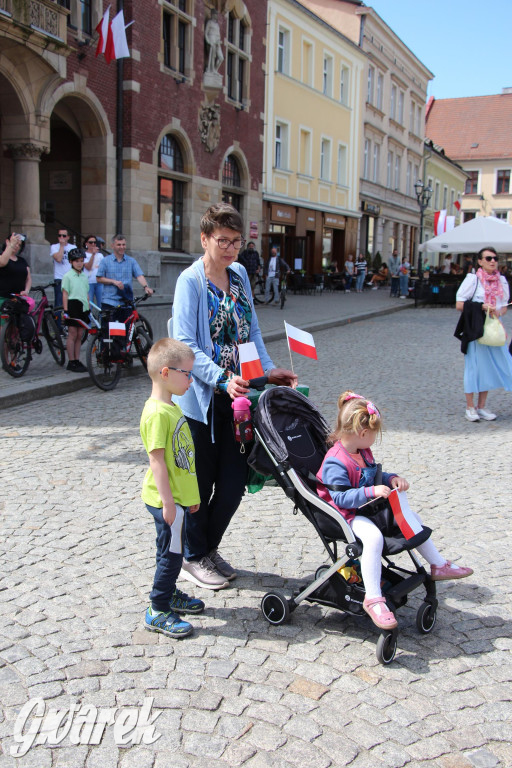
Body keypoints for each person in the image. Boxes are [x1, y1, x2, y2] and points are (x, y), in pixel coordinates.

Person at [172, 203, 297, 589]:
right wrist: (223, 378)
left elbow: (252, 332)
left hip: (241, 397)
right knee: (201, 482)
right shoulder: (190, 282)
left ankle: (207, 548)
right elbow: (186, 344)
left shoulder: (240, 274)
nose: (229, 249)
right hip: (202, 399)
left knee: (233, 483)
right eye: (222, 241)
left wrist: (266, 368)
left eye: (235, 241)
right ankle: (193, 555)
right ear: (205, 238)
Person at [317, 391, 473, 630]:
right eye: (374, 436)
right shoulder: (336, 461)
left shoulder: (361, 451)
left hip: (365, 509)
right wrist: (371, 492)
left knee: (412, 519)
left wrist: (391, 479)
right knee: (373, 538)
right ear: (362, 433)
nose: (374, 441)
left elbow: (372, 475)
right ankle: (373, 598)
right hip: (343, 515)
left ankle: (438, 564)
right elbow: (340, 497)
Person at [141, 338, 205, 639]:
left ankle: (169, 593)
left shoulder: (170, 407)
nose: (191, 379)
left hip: (178, 499)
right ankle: (158, 608)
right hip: (167, 501)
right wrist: (169, 503)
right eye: (186, 374)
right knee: (173, 556)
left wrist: (189, 497)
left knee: (167, 550)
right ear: (166, 373)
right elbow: (157, 463)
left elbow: (182, 461)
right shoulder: (156, 413)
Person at [455, 247, 512, 422]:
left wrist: (498, 311)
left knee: (488, 367)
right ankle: (470, 407)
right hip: (475, 329)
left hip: (492, 328)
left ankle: (482, 406)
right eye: (488, 258)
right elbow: (459, 304)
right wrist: (481, 307)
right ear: (480, 261)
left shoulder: (501, 281)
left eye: (495, 258)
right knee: (473, 367)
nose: (493, 261)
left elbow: (504, 306)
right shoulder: (473, 279)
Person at [96, 234, 153, 310]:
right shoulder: (105, 261)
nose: (122, 247)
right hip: (109, 302)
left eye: (123, 245)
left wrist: (146, 287)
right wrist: (113, 282)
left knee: (127, 322)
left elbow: (139, 275)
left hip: (126, 302)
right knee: (110, 322)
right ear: (112, 246)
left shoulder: (131, 261)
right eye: (119, 245)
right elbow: (99, 278)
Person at [62, 248, 90, 372]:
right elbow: (65, 294)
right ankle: (71, 360)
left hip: (82, 306)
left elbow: (86, 293)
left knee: (79, 334)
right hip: (72, 305)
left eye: (81, 261)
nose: (79, 263)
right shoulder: (67, 276)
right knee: (72, 334)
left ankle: (77, 359)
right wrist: (66, 310)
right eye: (76, 261)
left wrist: (88, 308)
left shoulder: (84, 276)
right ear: (71, 262)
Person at [0, 234, 34, 313]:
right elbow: (3, 262)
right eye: (15, 243)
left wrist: (26, 291)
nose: (17, 246)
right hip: (2, 298)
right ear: (7, 242)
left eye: (19, 245)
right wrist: (10, 245)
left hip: (17, 299)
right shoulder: (1, 257)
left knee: (17, 324)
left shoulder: (22, 261)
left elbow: (28, 278)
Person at [50, 228, 73, 325]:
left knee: (71, 303)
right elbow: (59, 258)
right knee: (59, 304)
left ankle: (69, 325)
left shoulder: (73, 247)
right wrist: (62, 246)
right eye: (59, 235)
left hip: (71, 278)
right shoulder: (54, 247)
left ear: (68, 237)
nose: (61, 238)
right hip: (59, 278)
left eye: (64, 236)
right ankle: (58, 327)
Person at [83, 235, 103, 307]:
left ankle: (101, 318)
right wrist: (93, 254)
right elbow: (88, 267)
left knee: (101, 305)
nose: (93, 244)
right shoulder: (84, 255)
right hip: (89, 283)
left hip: (99, 282)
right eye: (91, 242)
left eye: (95, 242)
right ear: (86, 244)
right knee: (89, 305)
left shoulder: (100, 255)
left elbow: (103, 268)